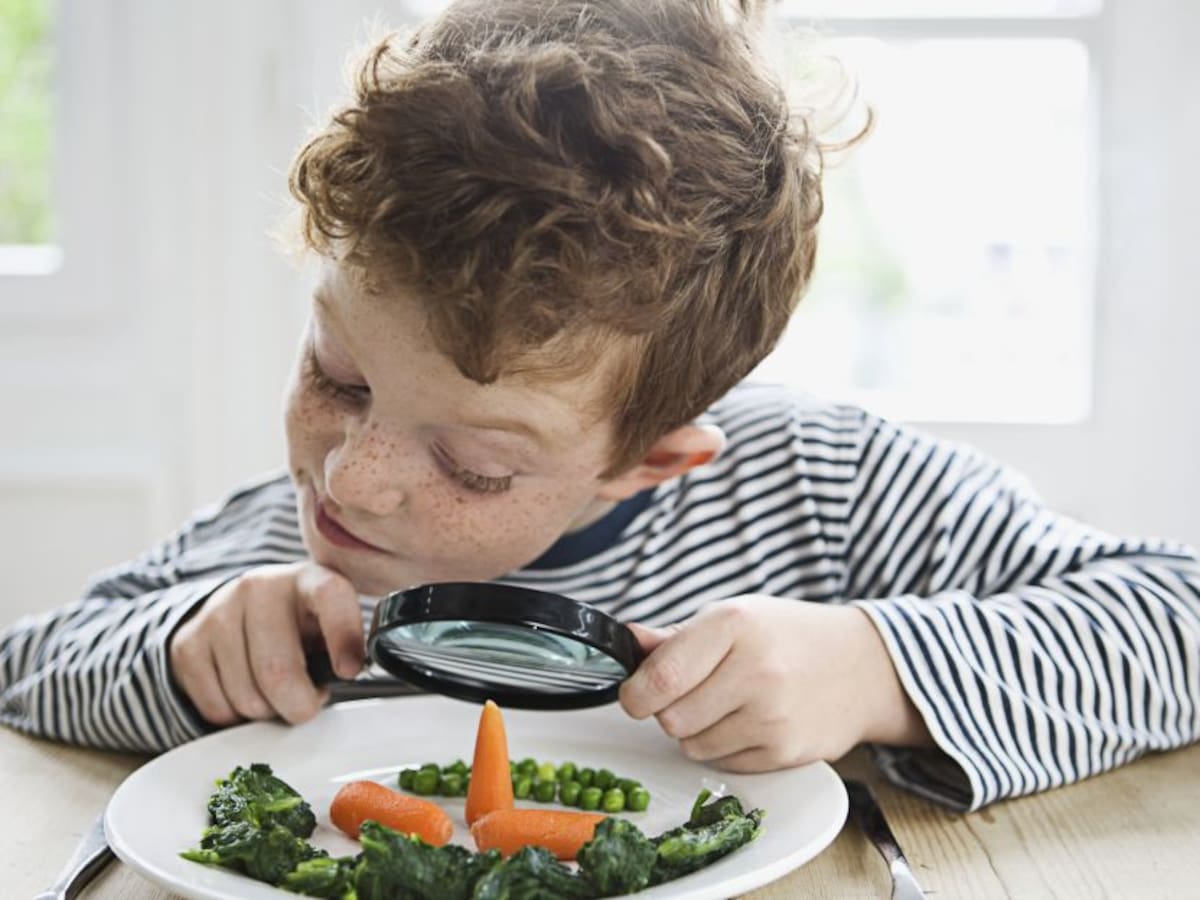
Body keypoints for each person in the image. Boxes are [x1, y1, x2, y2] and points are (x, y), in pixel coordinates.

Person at [2, 0, 1197, 813]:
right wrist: (177, 648)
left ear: (652, 461)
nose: (349, 479)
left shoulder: (828, 491)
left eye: (474, 466)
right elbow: (27, 666)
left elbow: (1178, 621)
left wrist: (878, 670)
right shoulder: (292, 546)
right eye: (337, 378)